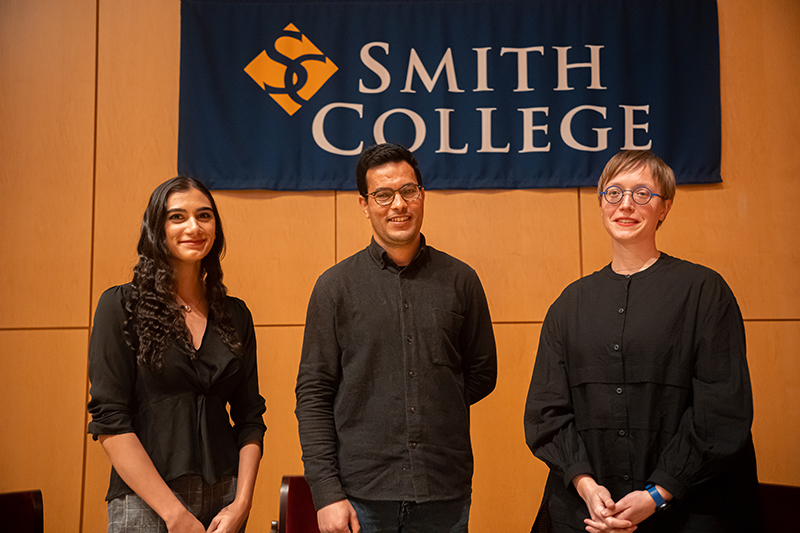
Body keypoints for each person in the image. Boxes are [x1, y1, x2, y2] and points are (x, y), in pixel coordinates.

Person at [524, 150, 762, 533]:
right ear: (601, 204)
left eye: (642, 194)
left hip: (687, 507)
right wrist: (586, 487)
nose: (626, 205)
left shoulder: (704, 291)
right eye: (614, 193)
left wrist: (657, 493)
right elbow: (546, 414)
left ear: (664, 207)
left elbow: (722, 411)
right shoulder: (569, 304)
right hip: (588, 513)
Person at [295, 143, 498, 533]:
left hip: (444, 492)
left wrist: (432, 397)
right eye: (383, 195)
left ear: (422, 195)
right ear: (364, 204)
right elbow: (314, 395)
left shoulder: (461, 280)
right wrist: (326, 493)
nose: (398, 205)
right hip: (359, 495)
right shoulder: (334, 288)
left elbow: (480, 375)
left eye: (408, 191)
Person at [87, 176, 266, 533]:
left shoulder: (235, 314)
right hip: (146, 501)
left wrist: (241, 503)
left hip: (224, 503)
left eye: (204, 216)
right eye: (177, 217)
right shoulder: (120, 305)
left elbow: (250, 418)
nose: (194, 227)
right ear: (157, 227)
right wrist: (174, 514)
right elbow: (110, 420)